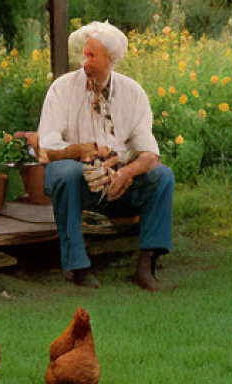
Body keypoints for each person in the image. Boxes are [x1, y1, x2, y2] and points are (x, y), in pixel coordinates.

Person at [36, 21, 175, 291]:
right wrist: (81, 150)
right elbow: (47, 148)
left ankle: (147, 265)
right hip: (77, 182)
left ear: (111, 60)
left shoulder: (133, 93)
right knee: (67, 172)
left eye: (92, 56)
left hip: (116, 183)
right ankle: (78, 266)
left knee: (162, 176)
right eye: (83, 55)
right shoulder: (62, 89)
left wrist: (125, 173)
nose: (84, 62)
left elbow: (150, 153)